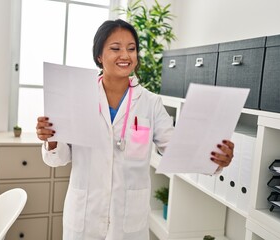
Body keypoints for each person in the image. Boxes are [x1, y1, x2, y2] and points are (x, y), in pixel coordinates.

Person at [36, 19, 234, 240]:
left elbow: (175, 148)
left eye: (131, 49)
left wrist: (214, 159)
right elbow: (58, 158)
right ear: (99, 56)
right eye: (115, 48)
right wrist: (52, 140)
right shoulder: (77, 96)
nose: (125, 55)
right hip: (84, 217)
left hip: (128, 221)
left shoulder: (150, 103)